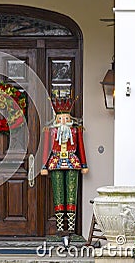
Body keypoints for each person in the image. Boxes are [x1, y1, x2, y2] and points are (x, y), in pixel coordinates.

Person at [41, 96, 88, 235]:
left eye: (67, 119)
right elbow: (46, 149)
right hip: (55, 163)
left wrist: (84, 164)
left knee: (72, 194)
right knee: (58, 194)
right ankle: (60, 227)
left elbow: (81, 148)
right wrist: (44, 166)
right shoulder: (50, 131)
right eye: (61, 119)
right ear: (56, 120)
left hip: (73, 162)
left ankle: (71, 228)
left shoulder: (75, 131)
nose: (64, 121)